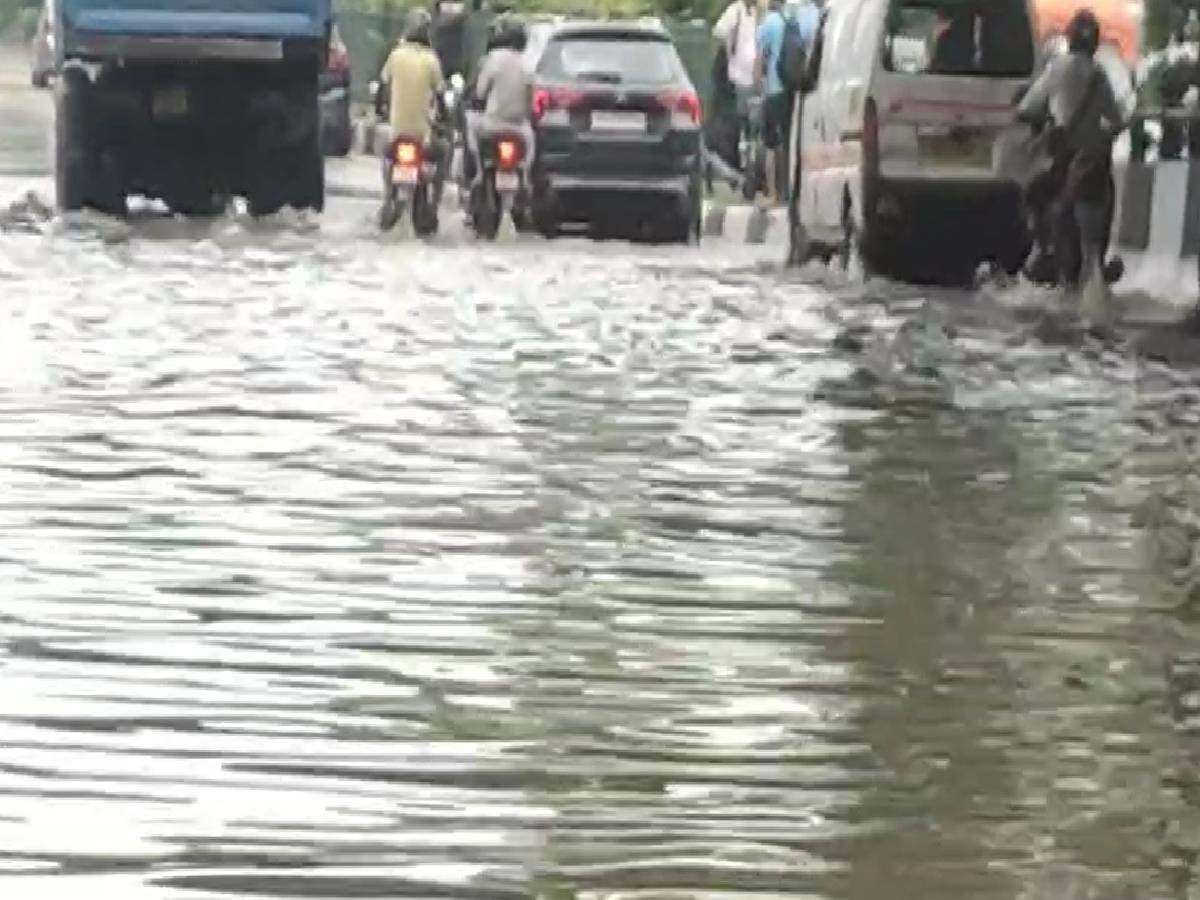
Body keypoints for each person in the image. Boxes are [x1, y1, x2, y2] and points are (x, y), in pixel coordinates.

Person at [1017, 8, 1125, 289]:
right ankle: (1098, 265)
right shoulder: (1100, 74)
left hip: (1066, 162)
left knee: (1033, 193)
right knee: (1101, 211)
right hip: (1095, 164)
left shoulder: (1057, 68)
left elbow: (1027, 107)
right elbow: (1115, 120)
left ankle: (1042, 250)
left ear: (1070, 38)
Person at [379, 9, 447, 193]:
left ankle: (388, 196)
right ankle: (434, 201)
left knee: (386, 157)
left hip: (397, 132)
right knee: (443, 152)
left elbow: (383, 87)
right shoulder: (431, 60)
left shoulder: (396, 55)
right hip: (422, 135)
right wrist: (443, 120)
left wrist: (381, 110)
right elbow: (440, 95)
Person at [469, 17, 534, 188]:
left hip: (493, 124)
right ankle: (526, 178)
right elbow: (530, 100)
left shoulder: (493, 58)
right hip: (518, 127)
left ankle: (478, 172)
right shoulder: (526, 63)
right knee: (531, 141)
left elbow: (480, 93)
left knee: (470, 122)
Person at [713, 0, 760, 155]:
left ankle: (749, 155)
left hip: (754, 75)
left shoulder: (756, 12)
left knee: (752, 117)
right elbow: (719, 31)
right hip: (738, 74)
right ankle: (740, 156)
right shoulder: (735, 10)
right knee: (742, 117)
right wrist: (729, 44)